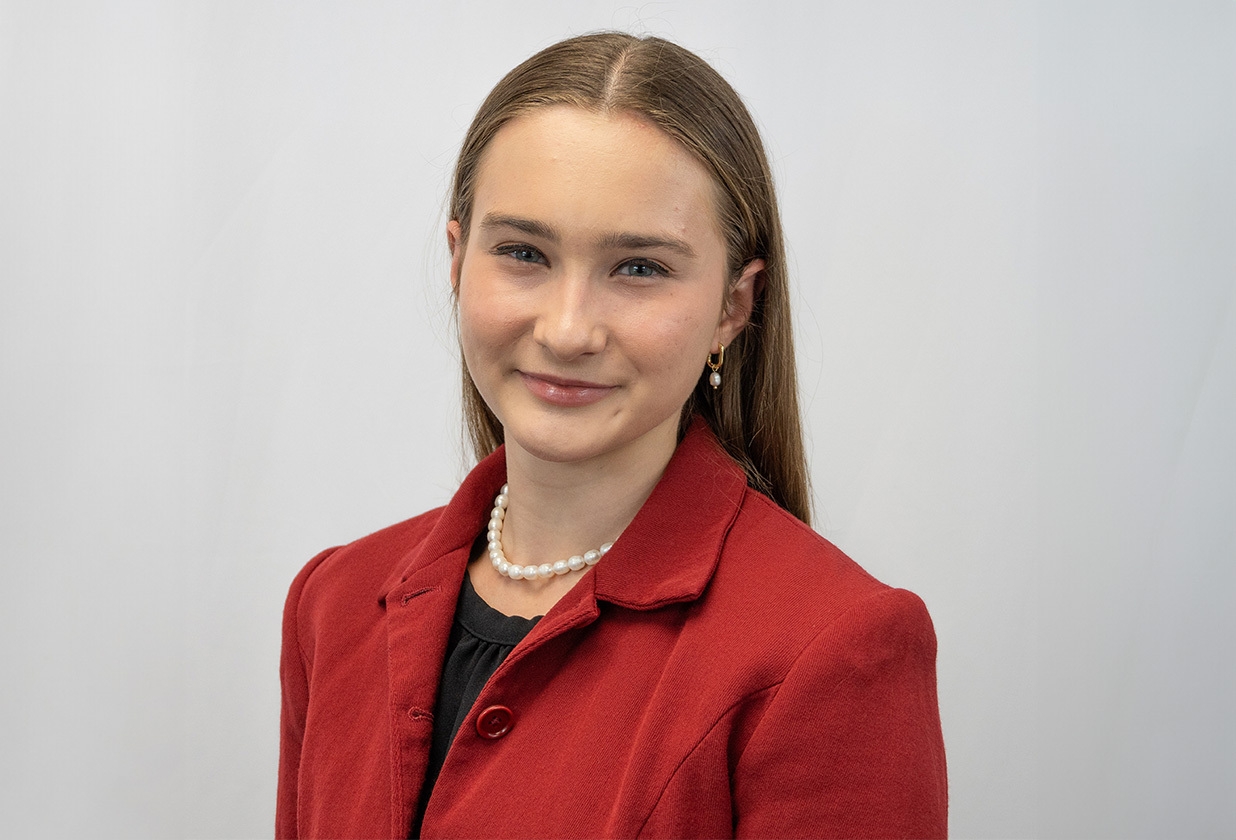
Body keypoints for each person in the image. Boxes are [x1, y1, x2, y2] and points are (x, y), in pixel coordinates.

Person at [276, 32, 947, 839]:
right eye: (523, 252)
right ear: (457, 261)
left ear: (734, 306)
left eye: (638, 268)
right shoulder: (335, 601)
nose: (567, 330)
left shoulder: (835, 648)